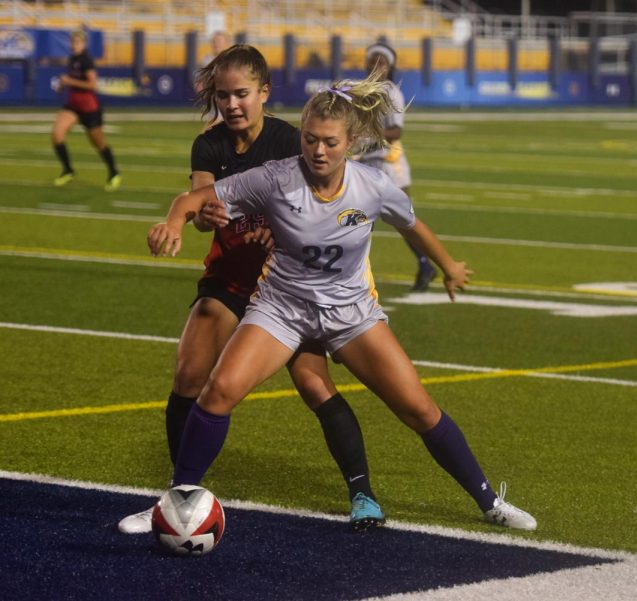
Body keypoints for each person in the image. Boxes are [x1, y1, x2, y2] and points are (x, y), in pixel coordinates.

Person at [146, 73, 537, 531]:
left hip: (351, 314)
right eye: (310, 139)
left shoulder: (372, 185)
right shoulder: (276, 178)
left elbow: (413, 225)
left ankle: (490, 502)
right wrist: (175, 221)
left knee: (418, 409)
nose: (317, 151)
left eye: (329, 142)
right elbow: (195, 197)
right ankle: (178, 500)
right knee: (219, 391)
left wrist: (448, 266)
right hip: (282, 309)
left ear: (349, 142)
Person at [119, 45, 383, 535]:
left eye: (241, 93)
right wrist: (199, 217)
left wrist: (279, 231)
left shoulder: (292, 140)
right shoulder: (209, 145)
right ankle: (180, 498)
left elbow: (321, 208)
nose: (232, 104)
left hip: (288, 289)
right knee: (189, 373)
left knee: (313, 383)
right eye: (223, 95)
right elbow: (202, 211)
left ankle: (362, 491)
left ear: (264, 92)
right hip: (231, 278)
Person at [355, 42, 436, 292]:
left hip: (390, 166)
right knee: (358, 220)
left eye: (382, 62)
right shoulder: (364, 91)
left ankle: (426, 264)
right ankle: (355, 274)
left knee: (404, 220)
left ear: (390, 67)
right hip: (368, 164)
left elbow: (396, 130)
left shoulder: (391, 91)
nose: (376, 66)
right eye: (372, 61)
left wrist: (367, 138)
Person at [51, 30, 121, 191]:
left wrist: (69, 81)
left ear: (83, 43)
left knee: (98, 143)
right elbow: (73, 81)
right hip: (73, 106)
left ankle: (114, 172)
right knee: (57, 134)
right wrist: (63, 84)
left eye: (77, 42)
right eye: (73, 41)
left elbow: (92, 85)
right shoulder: (72, 59)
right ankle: (68, 170)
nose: (74, 44)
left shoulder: (86, 60)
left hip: (89, 108)